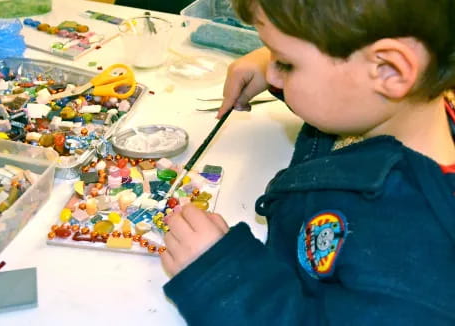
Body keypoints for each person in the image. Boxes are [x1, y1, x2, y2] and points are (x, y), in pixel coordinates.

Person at [160, 0, 455, 324]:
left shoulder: (412, 263)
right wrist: (277, 64)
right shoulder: (394, 110)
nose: (272, 71)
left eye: (285, 64)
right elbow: (347, 91)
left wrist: (222, 278)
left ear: (389, 70)